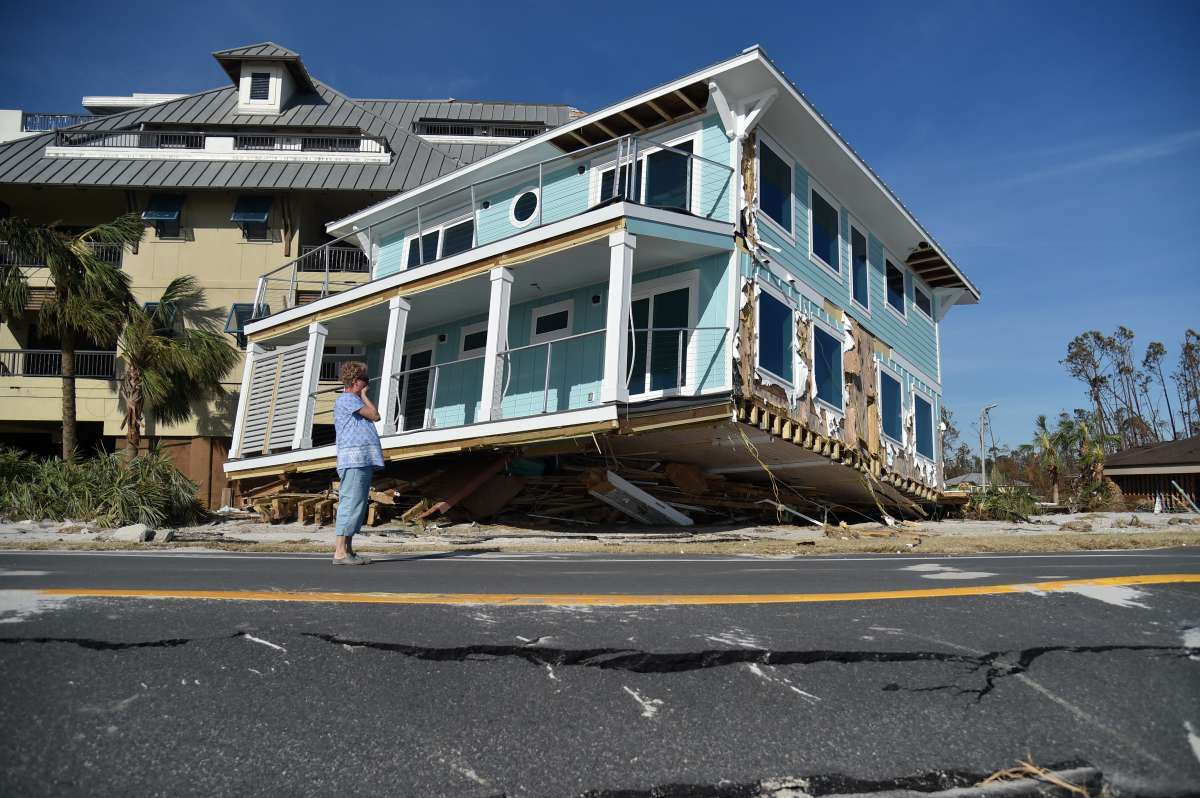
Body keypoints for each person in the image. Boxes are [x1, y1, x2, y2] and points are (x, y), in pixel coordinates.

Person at [331, 361, 383, 565]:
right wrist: (364, 395)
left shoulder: (353, 401)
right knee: (350, 503)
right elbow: (375, 415)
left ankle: (348, 550)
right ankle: (340, 552)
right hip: (353, 460)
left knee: (357, 505)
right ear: (355, 382)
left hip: (361, 460)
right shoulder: (347, 399)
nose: (367, 384)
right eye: (364, 380)